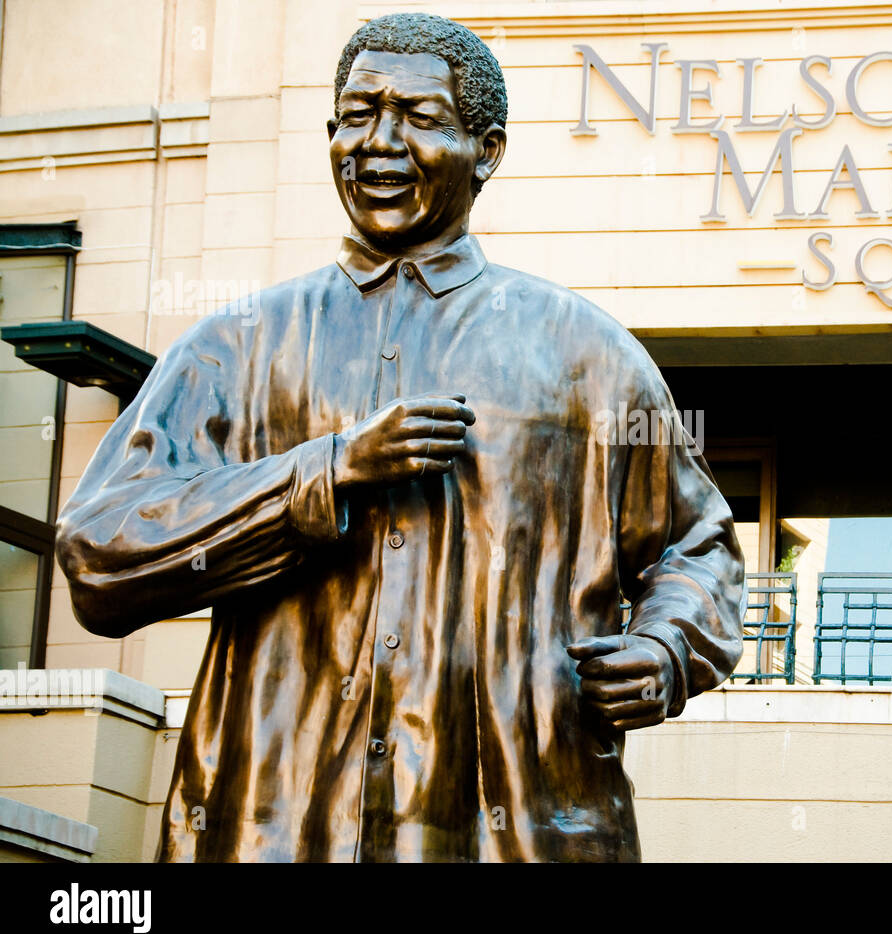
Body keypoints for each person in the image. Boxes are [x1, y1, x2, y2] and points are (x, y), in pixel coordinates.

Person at [56, 12, 744, 862]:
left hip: (516, 828)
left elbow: (698, 547)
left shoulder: (587, 356)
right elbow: (98, 551)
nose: (379, 142)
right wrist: (327, 472)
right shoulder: (238, 342)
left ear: (485, 150)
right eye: (357, 114)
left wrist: (666, 648)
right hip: (271, 824)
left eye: (418, 118)